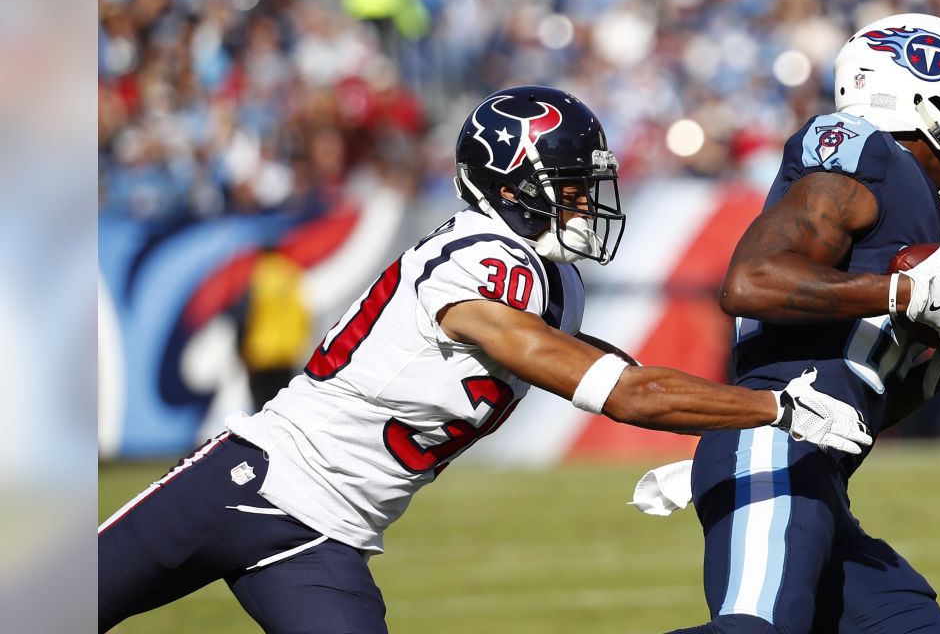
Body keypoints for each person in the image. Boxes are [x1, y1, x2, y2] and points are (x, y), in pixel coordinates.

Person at [97, 86, 876, 634]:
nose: (584, 204)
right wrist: (776, 410)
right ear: (510, 190)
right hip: (247, 483)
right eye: (569, 188)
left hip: (330, 534)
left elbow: (642, 383)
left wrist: (716, 445)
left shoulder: (554, 280)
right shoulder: (473, 262)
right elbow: (626, 395)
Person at [671, 14, 940, 634]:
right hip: (772, 447)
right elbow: (750, 281)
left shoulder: (915, 208)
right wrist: (904, 292)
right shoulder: (861, 152)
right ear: (926, 89)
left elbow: (858, 408)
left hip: (817, 474)